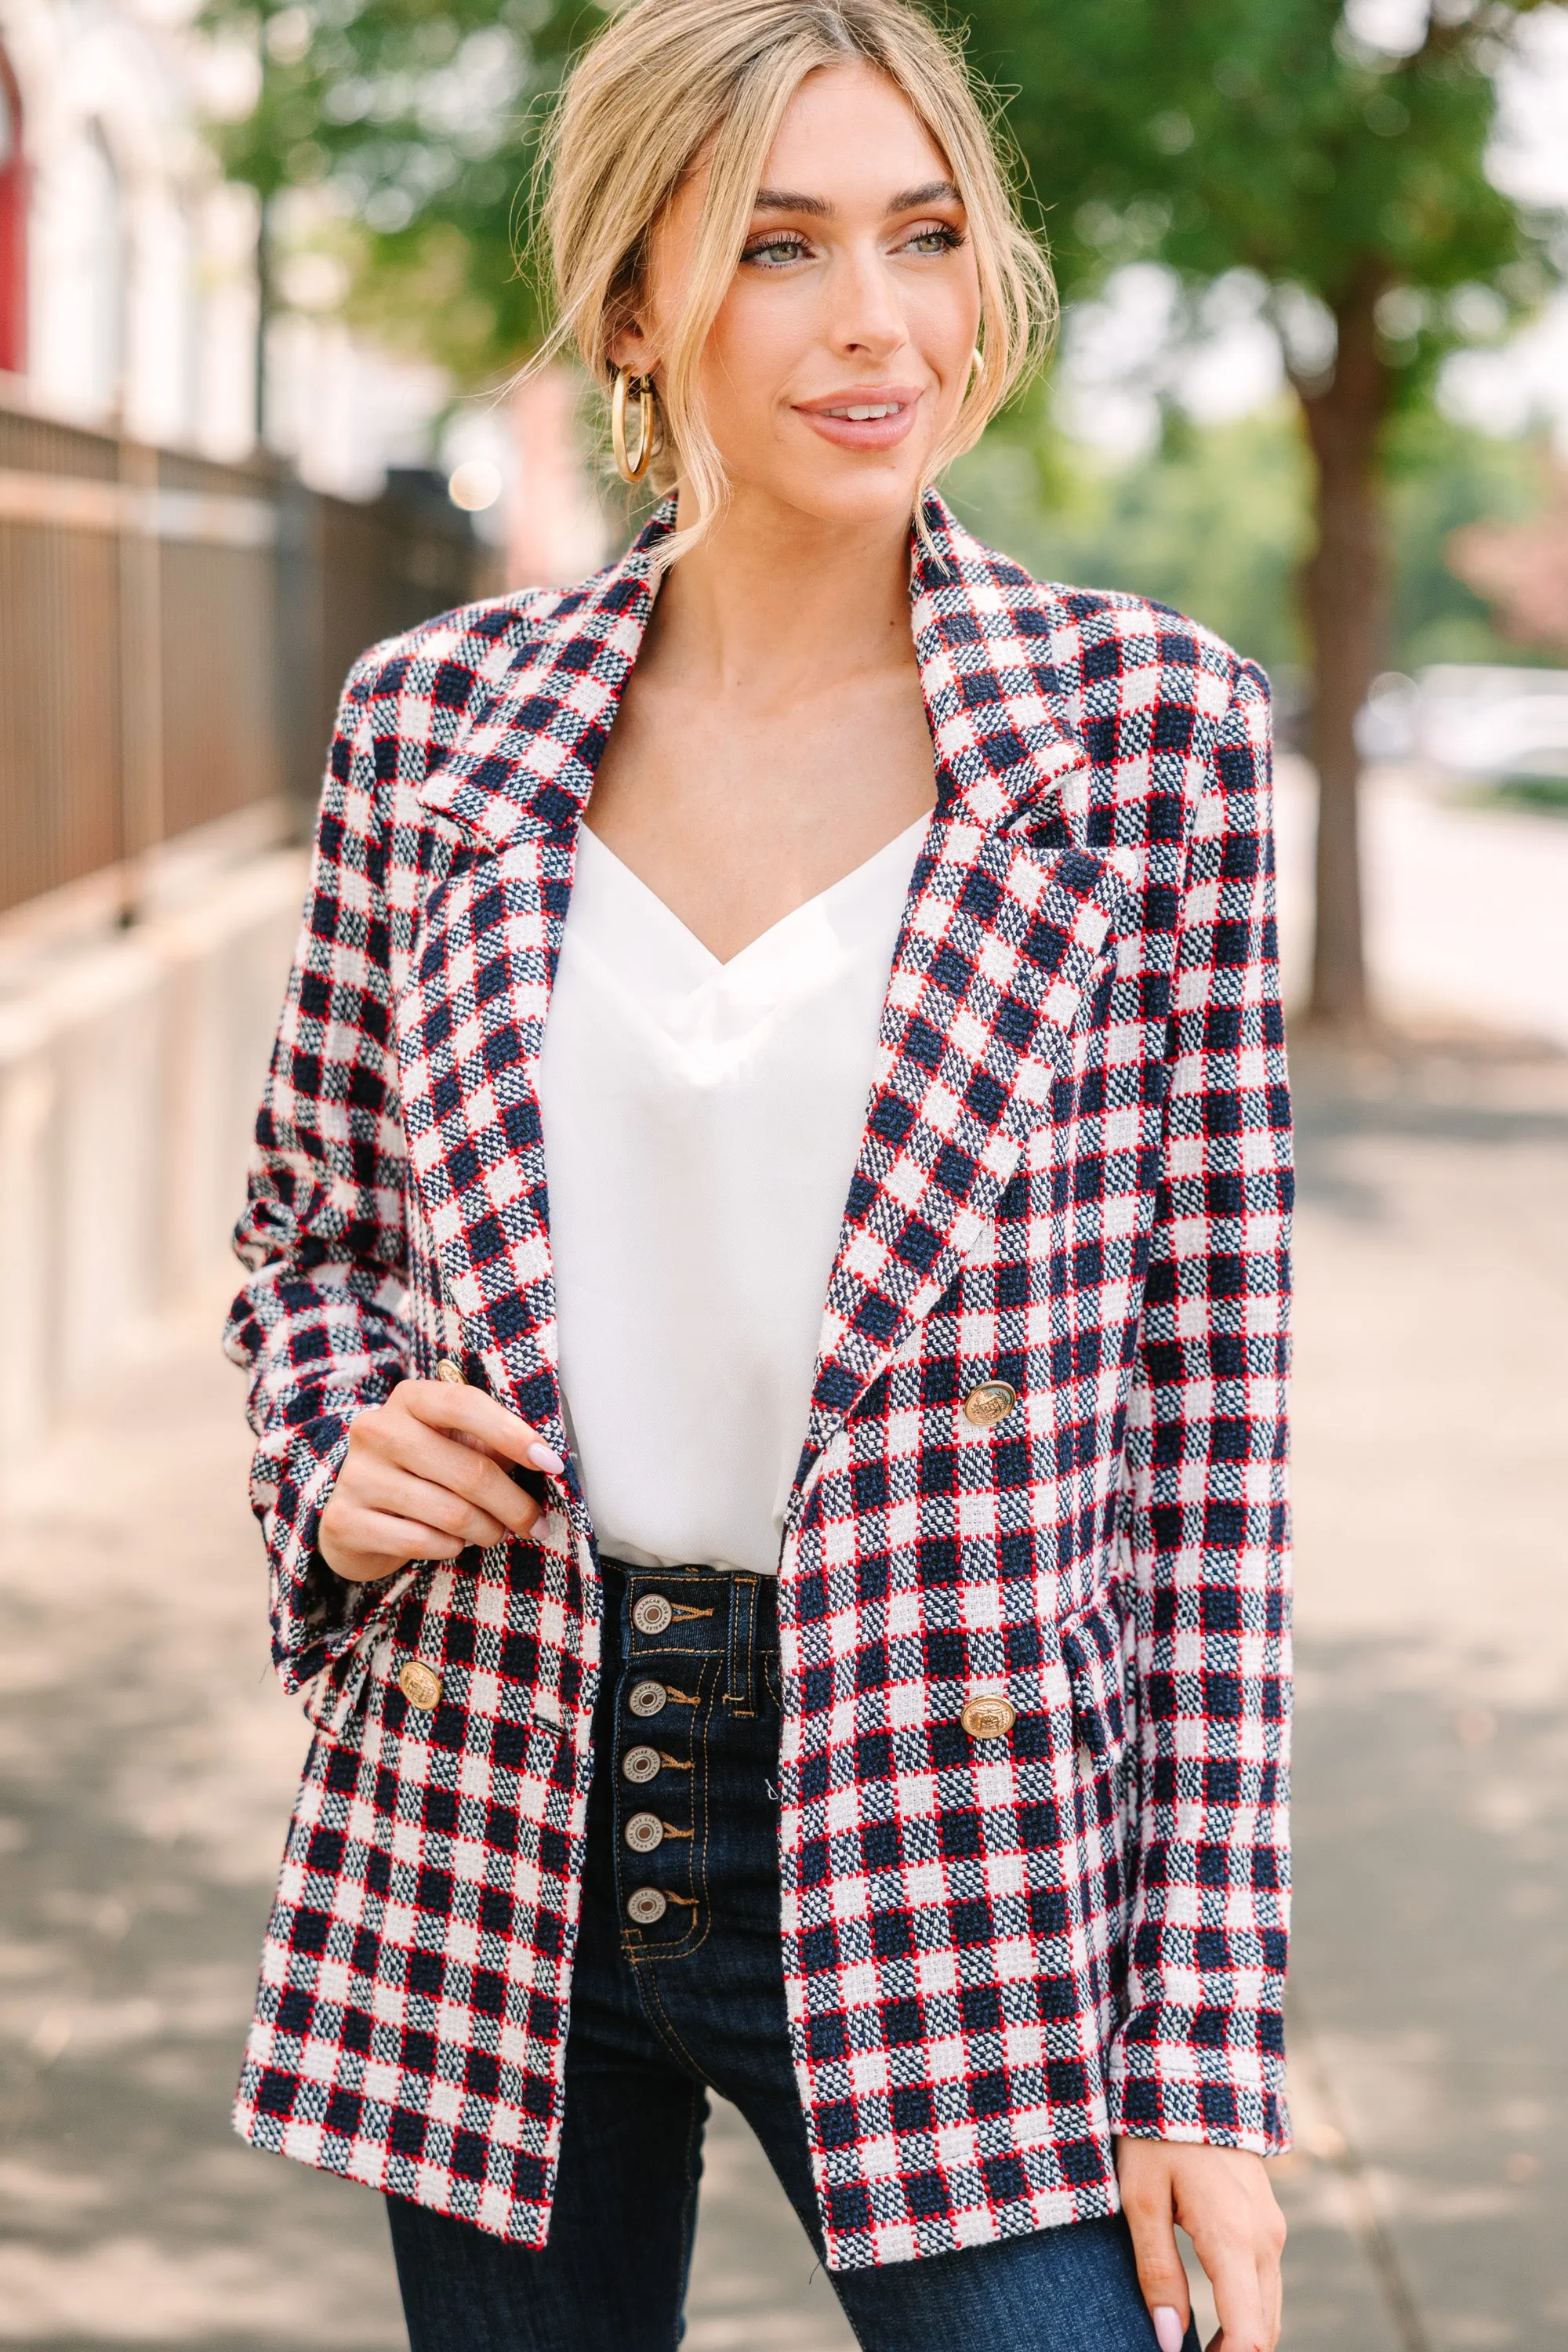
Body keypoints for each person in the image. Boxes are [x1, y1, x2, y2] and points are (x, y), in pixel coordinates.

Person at [225, 3, 1294, 2347]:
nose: (875, 320)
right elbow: (312, 1237)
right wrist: (336, 1449)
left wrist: (1202, 2049)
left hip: (957, 1823)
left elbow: (1212, 1450)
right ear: (637, 304)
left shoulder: (1150, 741)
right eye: (777, 246)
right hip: (501, 1769)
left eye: (923, 235)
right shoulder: (438, 726)